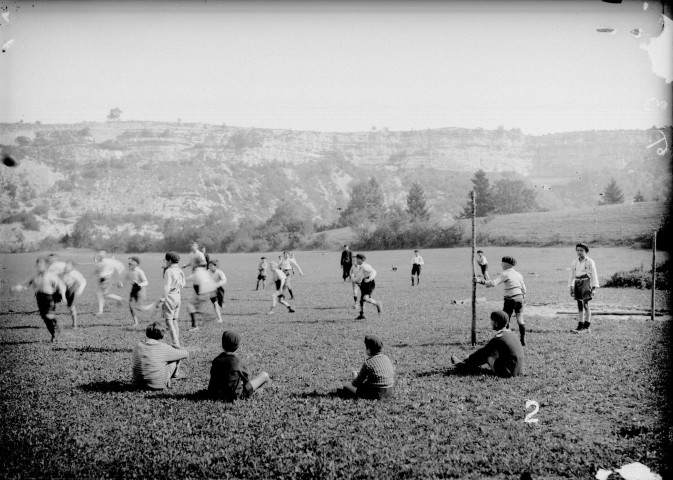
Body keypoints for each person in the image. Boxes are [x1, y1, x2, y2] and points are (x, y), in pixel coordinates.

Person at [451, 311, 524, 378]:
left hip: (507, 373)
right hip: (518, 371)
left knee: (488, 355)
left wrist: (468, 359)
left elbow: (482, 352)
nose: (490, 323)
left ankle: (462, 366)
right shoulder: (512, 334)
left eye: (491, 321)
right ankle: (466, 365)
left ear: (496, 323)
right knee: (492, 353)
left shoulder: (498, 338)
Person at [474, 256, 527, 346]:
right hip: (520, 298)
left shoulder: (505, 274)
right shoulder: (519, 274)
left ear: (507, 264)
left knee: (506, 320)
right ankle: (522, 340)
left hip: (510, 299)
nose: (501, 265)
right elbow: (524, 289)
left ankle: (508, 340)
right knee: (520, 319)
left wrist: (479, 281)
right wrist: (522, 298)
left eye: (502, 263)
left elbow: (493, 283)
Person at [11, 257, 67, 342]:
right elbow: (25, 284)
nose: (39, 266)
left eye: (41, 264)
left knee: (49, 315)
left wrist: (63, 296)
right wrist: (16, 287)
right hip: (39, 297)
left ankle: (58, 322)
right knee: (45, 318)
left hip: (49, 297)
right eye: (38, 264)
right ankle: (53, 334)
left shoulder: (51, 275)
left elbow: (62, 285)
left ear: (45, 266)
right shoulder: (35, 276)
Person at [208, 331, 270, 402]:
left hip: (215, 393)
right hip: (234, 395)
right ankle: (267, 390)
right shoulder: (238, 361)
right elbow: (247, 379)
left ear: (222, 344)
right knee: (264, 375)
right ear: (237, 346)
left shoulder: (216, 360)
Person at [132, 322, 189, 390]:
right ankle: (175, 375)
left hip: (137, 384)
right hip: (158, 385)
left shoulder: (138, 345)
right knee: (175, 357)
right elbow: (185, 354)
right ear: (163, 335)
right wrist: (176, 346)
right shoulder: (164, 347)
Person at [339, 335, 395, 400]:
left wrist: (355, 376)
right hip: (390, 391)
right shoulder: (386, 358)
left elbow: (356, 384)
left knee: (346, 385)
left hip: (376, 394)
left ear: (369, 350)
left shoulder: (368, 363)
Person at [569, 243, 599, 334]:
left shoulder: (590, 261)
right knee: (579, 303)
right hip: (577, 282)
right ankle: (580, 325)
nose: (579, 252)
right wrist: (571, 286)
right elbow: (572, 275)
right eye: (578, 250)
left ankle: (587, 326)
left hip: (586, 282)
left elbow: (594, 274)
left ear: (586, 251)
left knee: (585, 304)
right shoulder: (575, 262)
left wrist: (594, 288)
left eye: (581, 250)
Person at [160, 252, 186, 347]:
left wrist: (163, 298)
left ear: (169, 261)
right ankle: (177, 340)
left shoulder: (169, 271)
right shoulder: (179, 270)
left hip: (170, 296)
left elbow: (167, 286)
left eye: (165, 260)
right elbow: (183, 284)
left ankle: (175, 342)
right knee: (174, 320)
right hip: (178, 296)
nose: (165, 262)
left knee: (168, 321)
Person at [186, 260, 218, 331]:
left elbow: (191, 278)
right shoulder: (204, 271)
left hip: (201, 294)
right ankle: (208, 317)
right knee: (194, 309)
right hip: (207, 293)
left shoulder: (197, 272)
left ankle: (196, 325)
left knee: (190, 307)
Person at [93, 250, 125, 316]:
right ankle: (100, 311)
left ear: (102, 255)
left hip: (105, 279)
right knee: (100, 294)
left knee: (103, 294)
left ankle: (119, 299)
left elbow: (97, 271)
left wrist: (120, 280)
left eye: (99, 255)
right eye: (99, 255)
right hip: (105, 279)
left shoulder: (103, 262)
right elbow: (121, 267)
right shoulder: (108, 261)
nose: (99, 256)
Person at [351, 254, 382, 320]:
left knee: (365, 298)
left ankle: (377, 303)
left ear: (360, 259)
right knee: (361, 301)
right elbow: (360, 276)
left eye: (357, 259)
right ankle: (362, 315)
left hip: (369, 283)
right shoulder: (359, 267)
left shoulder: (365, 266)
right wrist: (355, 280)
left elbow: (374, 272)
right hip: (363, 283)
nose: (356, 260)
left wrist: (369, 279)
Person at [62, 260, 87, 328]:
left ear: (72, 266)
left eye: (68, 265)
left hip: (73, 291)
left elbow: (83, 282)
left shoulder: (76, 273)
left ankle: (74, 324)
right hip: (66, 291)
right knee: (70, 308)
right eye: (66, 264)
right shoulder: (64, 272)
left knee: (72, 308)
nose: (66, 266)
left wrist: (79, 291)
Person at [126, 256, 149, 326]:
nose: (129, 262)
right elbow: (126, 278)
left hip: (140, 290)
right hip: (133, 289)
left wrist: (140, 284)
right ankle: (136, 322)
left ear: (136, 263)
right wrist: (121, 284)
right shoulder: (129, 271)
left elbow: (146, 282)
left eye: (131, 261)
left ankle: (152, 308)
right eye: (129, 262)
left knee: (139, 307)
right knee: (131, 306)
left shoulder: (140, 271)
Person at [208, 259, 227, 323]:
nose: (210, 267)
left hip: (219, 289)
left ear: (215, 266)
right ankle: (220, 319)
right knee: (215, 304)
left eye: (211, 265)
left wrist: (217, 284)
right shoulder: (207, 272)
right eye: (209, 265)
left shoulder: (219, 272)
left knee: (220, 304)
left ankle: (221, 303)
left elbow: (224, 280)